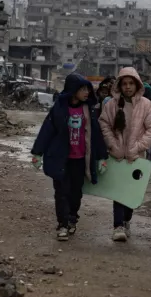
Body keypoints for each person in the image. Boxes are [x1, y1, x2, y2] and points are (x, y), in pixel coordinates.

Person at [31, 74, 107, 242]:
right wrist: (37, 152)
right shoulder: (59, 108)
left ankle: (72, 217)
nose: (87, 92)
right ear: (73, 90)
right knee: (61, 192)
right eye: (82, 89)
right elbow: (47, 130)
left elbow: (96, 134)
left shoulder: (88, 109)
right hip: (61, 158)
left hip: (80, 159)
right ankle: (63, 224)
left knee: (76, 193)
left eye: (87, 89)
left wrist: (102, 157)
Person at [99, 67, 151, 242]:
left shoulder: (146, 105)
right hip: (117, 157)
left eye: (130, 83)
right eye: (124, 83)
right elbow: (104, 124)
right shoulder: (111, 105)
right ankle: (117, 226)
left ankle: (126, 219)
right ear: (119, 85)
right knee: (119, 192)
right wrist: (112, 144)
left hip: (137, 158)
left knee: (132, 194)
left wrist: (139, 146)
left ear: (137, 85)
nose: (127, 87)